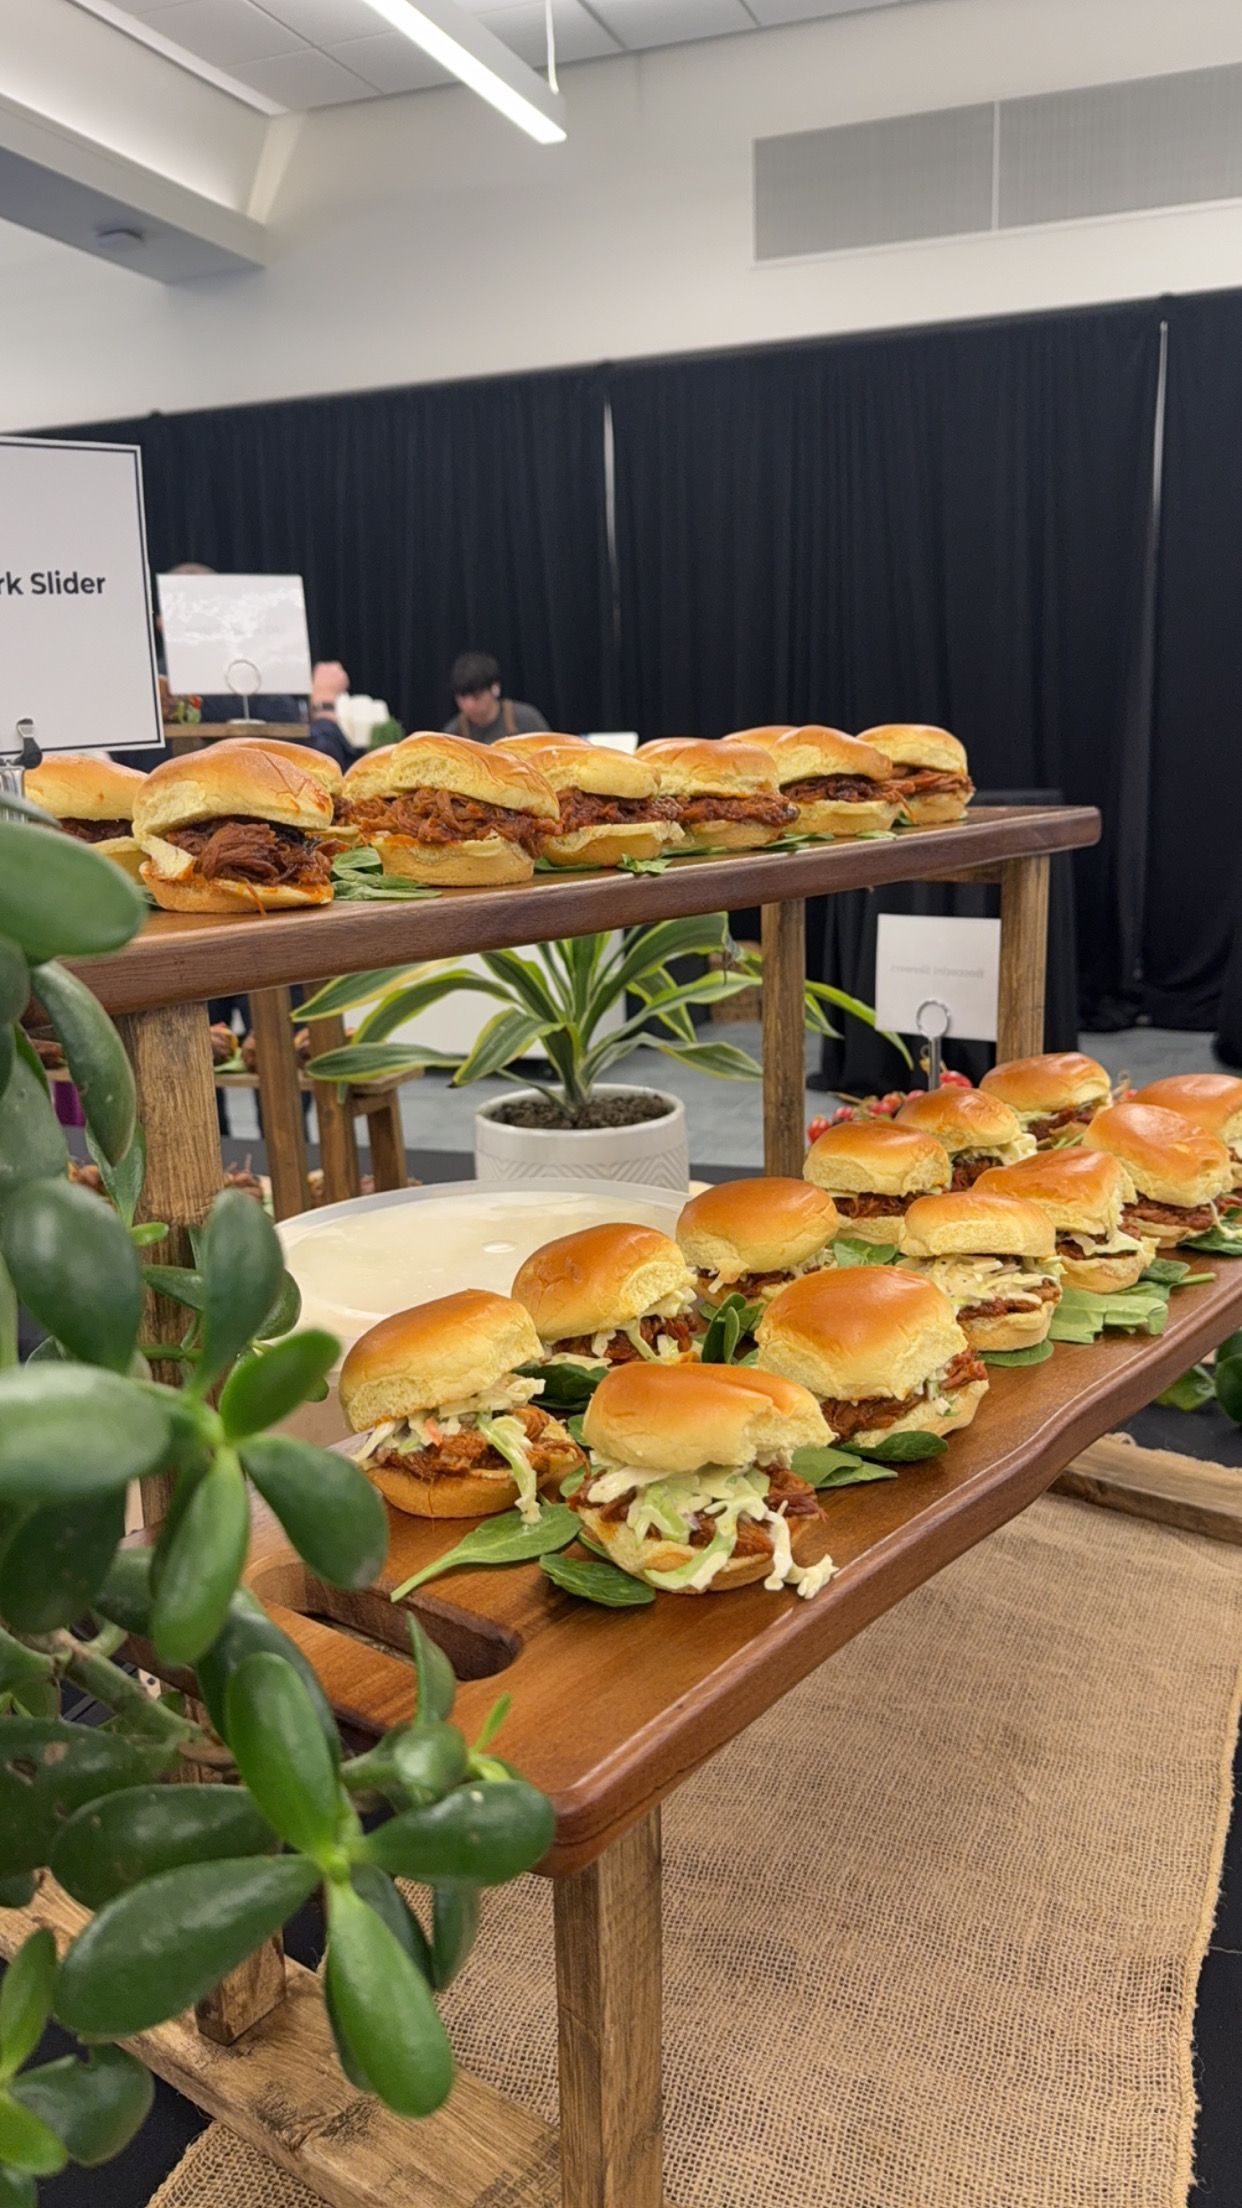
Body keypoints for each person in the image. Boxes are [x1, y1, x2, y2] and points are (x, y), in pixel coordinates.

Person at [442, 652, 549, 744]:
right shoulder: (452, 734)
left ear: (495, 689)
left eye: (477, 696)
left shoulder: (527, 720)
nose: (469, 704)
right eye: (462, 698)